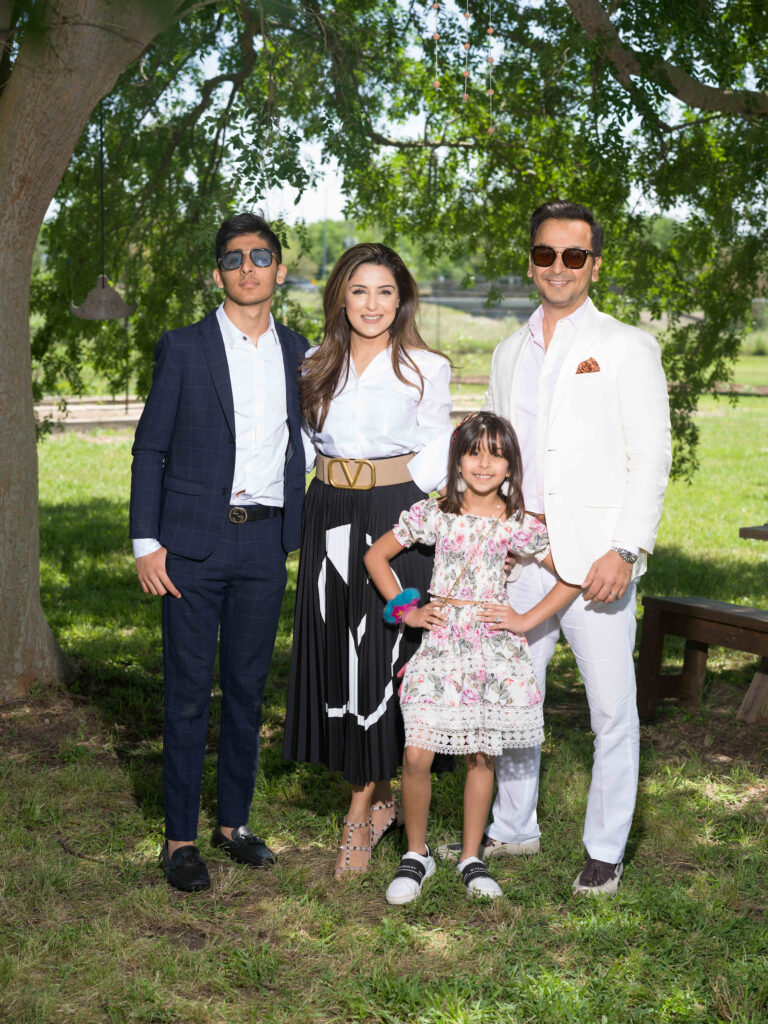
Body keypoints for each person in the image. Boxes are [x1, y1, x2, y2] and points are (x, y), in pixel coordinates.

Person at [471, 199, 671, 896]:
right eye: (546, 254)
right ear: (530, 260)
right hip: (520, 554)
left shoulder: (626, 346)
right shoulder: (505, 351)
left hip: (596, 562)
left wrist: (626, 549)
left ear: (594, 263)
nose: (559, 267)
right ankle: (514, 827)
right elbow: (497, 456)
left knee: (612, 709)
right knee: (515, 697)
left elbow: (650, 458)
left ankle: (606, 849)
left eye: (574, 255)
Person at [129, 212, 309, 892]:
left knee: (246, 689)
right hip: (191, 548)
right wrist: (148, 543)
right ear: (218, 274)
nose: (248, 267)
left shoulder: (301, 353)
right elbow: (152, 447)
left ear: (279, 271)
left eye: (261, 256)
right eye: (234, 259)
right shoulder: (184, 347)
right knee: (185, 695)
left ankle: (233, 824)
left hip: (266, 542)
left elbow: (312, 443)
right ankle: (179, 840)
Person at [282, 242, 452, 879]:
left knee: (380, 654)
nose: (372, 304)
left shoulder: (425, 367)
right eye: (359, 291)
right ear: (340, 298)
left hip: (394, 519)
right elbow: (301, 444)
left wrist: (413, 517)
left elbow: (439, 452)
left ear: (401, 298)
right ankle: (377, 797)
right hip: (326, 510)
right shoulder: (312, 362)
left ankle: (359, 811)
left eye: (385, 291)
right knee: (337, 654)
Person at [364, 412, 580, 904]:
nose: (484, 463)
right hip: (441, 644)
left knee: (481, 754)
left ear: (510, 466)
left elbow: (572, 577)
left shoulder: (519, 524)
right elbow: (376, 556)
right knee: (418, 750)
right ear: (458, 459)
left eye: (496, 453)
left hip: (491, 650)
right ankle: (415, 855)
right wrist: (408, 611)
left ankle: (470, 856)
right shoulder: (434, 513)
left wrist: (525, 620)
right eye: (474, 451)